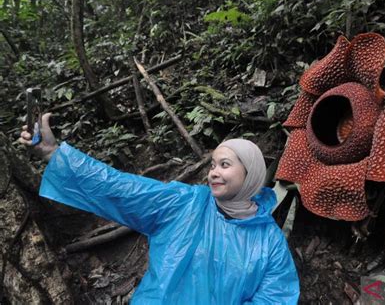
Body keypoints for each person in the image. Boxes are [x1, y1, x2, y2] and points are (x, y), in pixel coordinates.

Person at [19, 113, 300, 304]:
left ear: (250, 172)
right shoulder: (184, 203)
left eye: (225, 165)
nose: (214, 172)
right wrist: (54, 154)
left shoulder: (269, 242)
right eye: (213, 164)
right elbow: (120, 189)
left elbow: (276, 298)